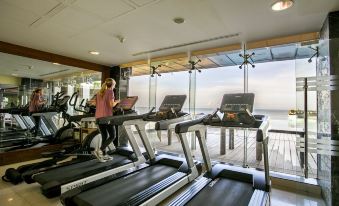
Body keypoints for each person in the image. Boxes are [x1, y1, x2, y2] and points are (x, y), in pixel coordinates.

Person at [93, 78, 120, 162]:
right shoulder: (110, 92)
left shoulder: (99, 93)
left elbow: (94, 103)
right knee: (112, 136)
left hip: (98, 118)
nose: (114, 86)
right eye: (114, 85)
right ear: (112, 85)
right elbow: (111, 105)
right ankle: (99, 150)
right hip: (106, 117)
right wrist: (117, 101)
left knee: (105, 136)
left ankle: (104, 155)